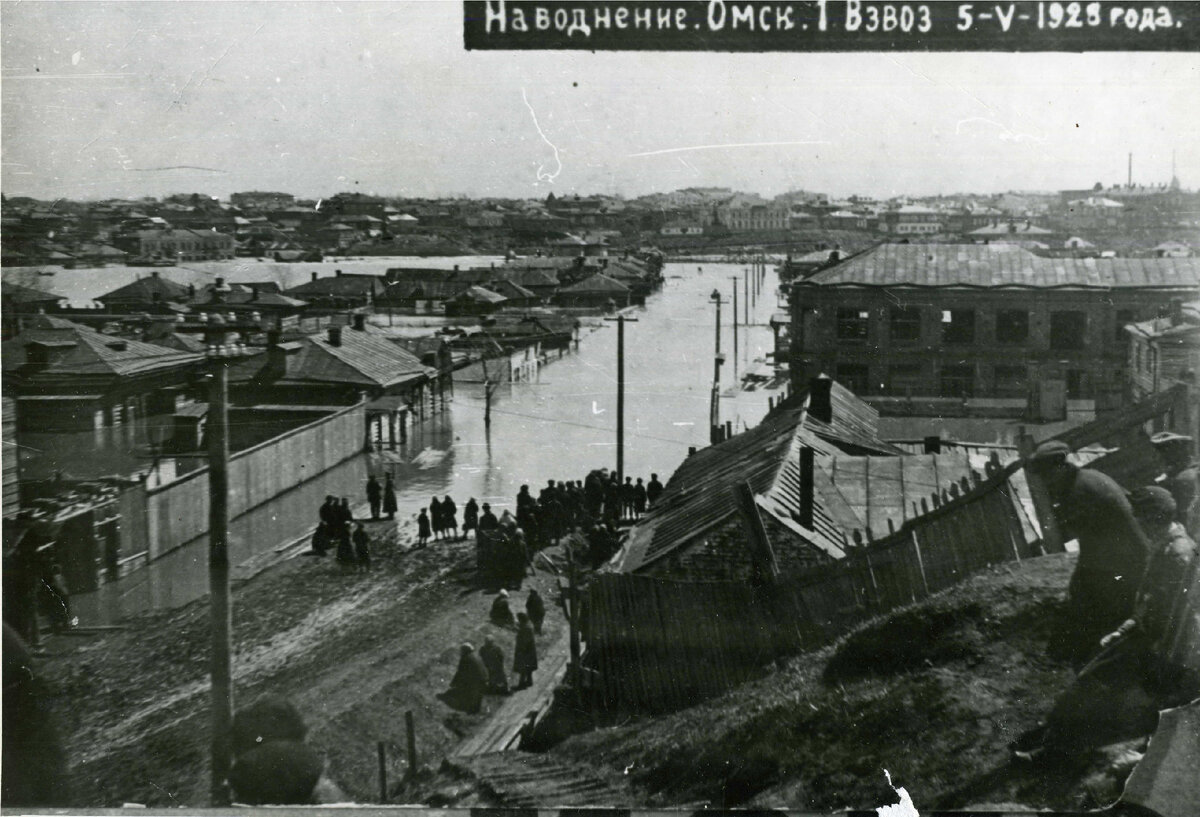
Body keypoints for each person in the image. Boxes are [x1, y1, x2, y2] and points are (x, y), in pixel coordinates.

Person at [1013, 487, 1199, 761]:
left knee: (1099, 688)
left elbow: (1175, 616)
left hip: (1169, 650)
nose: (1136, 523)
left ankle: (1057, 751)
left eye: (1139, 517)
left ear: (1152, 519)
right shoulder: (1165, 545)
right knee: (1093, 677)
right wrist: (1124, 630)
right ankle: (1055, 738)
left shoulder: (1177, 555)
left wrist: (1137, 643)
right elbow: (1150, 603)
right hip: (1153, 640)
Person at [1026, 440, 1151, 659]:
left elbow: (1086, 544)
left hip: (1126, 564)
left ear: (1061, 466)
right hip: (1133, 557)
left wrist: (1079, 583)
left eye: (1048, 475)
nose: (1047, 483)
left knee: (1087, 605)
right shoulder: (1091, 477)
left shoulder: (1079, 491)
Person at [1151, 431, 1199, 538]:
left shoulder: (1184, 479)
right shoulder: (1190, 473)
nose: (1160, 459)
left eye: (1165, 454)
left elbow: (1184, 519)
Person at [513, 612, 538, 689]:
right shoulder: (528, 625)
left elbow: (524, 641)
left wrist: (520, 650)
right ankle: (529, 681)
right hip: (530, 651)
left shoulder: (526, 628)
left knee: (523, 668)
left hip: (525, 652)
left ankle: (521, 684)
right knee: (529, 668)